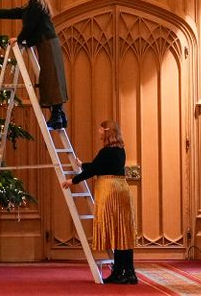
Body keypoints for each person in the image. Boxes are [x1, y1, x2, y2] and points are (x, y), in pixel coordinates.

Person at [0, 0, 68, 129]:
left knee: (51, 77)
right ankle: (58, 115)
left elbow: (29, 27)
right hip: (45, 42)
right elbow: (14, 13)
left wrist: (19, 39)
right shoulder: (32, 5)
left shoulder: (37, 4)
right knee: (50, 76)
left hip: (48, 43)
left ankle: (57, 115)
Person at [62, 120, 138, 285]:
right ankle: (127, 272)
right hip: (122, 190)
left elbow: (95, 169)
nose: (99, 132)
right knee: (122, 233)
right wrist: (83, 165)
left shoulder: (106, 151)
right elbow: (100, 166)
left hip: (110, 191)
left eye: (101, 129)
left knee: (116, 233)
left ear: (107, 131)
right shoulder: (120, 150)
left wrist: (72, 181)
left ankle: (122, 273)